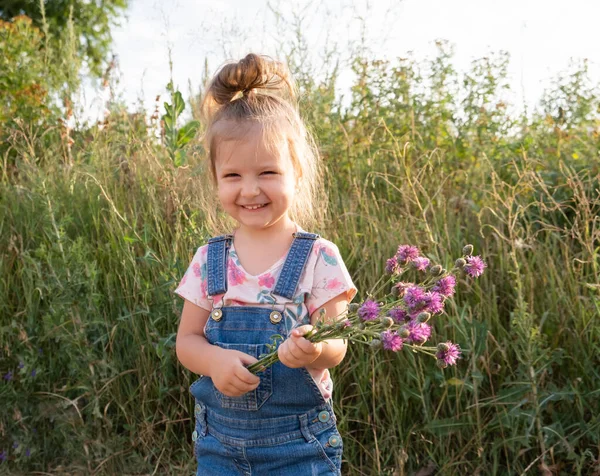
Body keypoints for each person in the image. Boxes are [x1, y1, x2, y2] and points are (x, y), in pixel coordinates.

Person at [174, 53, 357, 475]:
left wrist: (314, 346)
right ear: (216, 179)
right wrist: (215, 362)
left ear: (297, 172)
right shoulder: (209, 259)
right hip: (219, 448)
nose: (250, 189)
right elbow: (187, 341)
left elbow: (338, 347)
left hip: (299, 448)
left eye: (268, 172)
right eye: (233, 176)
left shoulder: (318, 256)